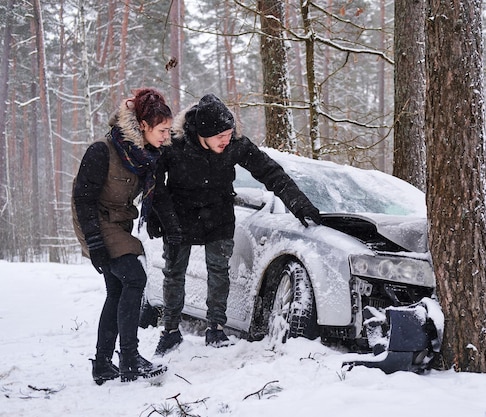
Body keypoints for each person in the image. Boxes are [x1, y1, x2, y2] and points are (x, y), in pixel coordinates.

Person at [150, 93, 321, 355]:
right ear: (203, 133)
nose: (226, 140)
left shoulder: (235, 144)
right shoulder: (175, 144)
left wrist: (299, 204)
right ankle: (170, 330)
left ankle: (215, 329)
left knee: (219, 271)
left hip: (218, 214)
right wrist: (157, 216)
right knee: (174, 272)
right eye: (220, 136)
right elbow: (153, 182)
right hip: (179, 215)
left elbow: (270, 171)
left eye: (229, 134)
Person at [72, 88, 172, 384]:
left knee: (117, 290)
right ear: (143, 126)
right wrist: (94, 243)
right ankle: (129, 359)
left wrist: (169, 225)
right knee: (135, 278)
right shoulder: (102, 150)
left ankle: (103, 363)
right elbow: (83, 199)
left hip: (119, 224)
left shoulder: (146, 156)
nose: (166, 136)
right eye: (162, 130)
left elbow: (159, 194)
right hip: (93, 220)